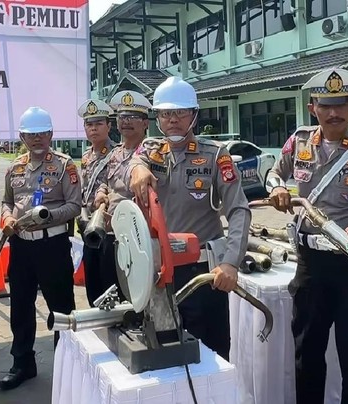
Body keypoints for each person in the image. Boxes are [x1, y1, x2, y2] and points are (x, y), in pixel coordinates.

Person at [266, 68, 348, 404]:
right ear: (313, 108)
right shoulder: (299, 141)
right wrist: (278, 188)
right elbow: (273, 172)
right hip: (311, 264)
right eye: (326, 105)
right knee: (306, 351)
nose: (334, 113)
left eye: (341, 104)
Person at [128, 77, 251, 360]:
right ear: (157, 117)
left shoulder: (215, 156)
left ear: (194, 115)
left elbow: (238, 210)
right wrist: (136, 168)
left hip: (202, 273)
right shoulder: (149, 151)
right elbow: (133, 161)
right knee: (163, 347)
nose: (173, 120)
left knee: (210, 352)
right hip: (158, 271)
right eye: (165, 113)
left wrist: (230, 262)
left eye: (180, 113)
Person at [0, 107, 80, 391]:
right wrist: (7, 217)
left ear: (51, 135)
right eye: (31, 134)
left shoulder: (65, 165)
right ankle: (22, 363)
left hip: (52, 245)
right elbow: (6, 201)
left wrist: (46, 217)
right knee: (20, 306)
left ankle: (67, 364)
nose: (37, 139)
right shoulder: (15, 167)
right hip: (21, 247)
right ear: (22, 136)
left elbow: (74, 206)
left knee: (61, 308)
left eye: (42, 133)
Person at [92, 90, 152, 301]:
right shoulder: (115, 153)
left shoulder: (153, 153)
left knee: (135, 295)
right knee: (110, 291)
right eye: (122, 117)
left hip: (138, 236)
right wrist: (101, 194)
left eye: (133, 117)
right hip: (111, 234)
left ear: (145, 123)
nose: (126, 122)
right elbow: (105, 182)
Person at [76, 99, 118, 307]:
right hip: (88, 226)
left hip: (109, 229)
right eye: (89, 124)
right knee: (91, 281)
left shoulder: (117, 154)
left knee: (109, 283)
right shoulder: (85, 156)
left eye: (99, 123)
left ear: (109, 126)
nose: (93, 128)